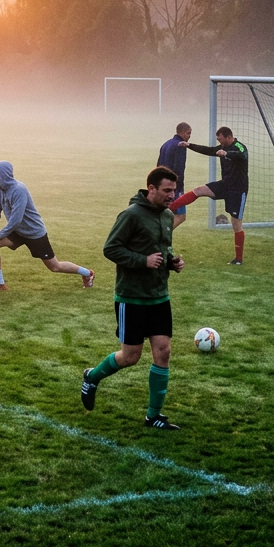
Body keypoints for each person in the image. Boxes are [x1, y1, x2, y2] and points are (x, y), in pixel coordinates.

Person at [79, 166, 184, 430]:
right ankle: (92, 376)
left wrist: (171, 262)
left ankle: (153, 416)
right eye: (166, 190)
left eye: (174, 190)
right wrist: (142, 260)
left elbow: (162, 249)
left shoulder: (168, 216)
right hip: (132, 297)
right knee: (131, 356)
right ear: (151, 189)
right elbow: (111, 248)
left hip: (159, 295)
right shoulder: (131, 215)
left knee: (164, 351)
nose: (172, 195)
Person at [0, 161, 94, 291]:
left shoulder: (19, 190)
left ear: (3, 175)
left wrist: (1, 234)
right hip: (18, 232)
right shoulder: (0, 190)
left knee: (54, 267)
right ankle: (0, 284)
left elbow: (16, 219)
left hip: (34, 233)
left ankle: (88, 273)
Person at [169, 126, 248, 264]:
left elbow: (242, 155)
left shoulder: (239, 147)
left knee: (236, 224)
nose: (220, 142)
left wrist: (227, 154)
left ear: (229, 137)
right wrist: (189, 145)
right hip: (225, 185)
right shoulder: (221, 147)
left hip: (238, 190)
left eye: (221, 139)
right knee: (199, 190)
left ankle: (239, 259)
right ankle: (169, 208)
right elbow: (208, 150)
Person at [157, 122, 191, 229]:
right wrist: (178, 187)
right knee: (181, 216)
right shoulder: (181, 145)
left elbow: (158, 166)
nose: (189, 136)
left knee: (165, 213)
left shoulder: (166, 144)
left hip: (162, 186)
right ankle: (162, 235)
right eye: (188, 133)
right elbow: (179, 169)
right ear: (181, 132)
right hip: (174, 188)